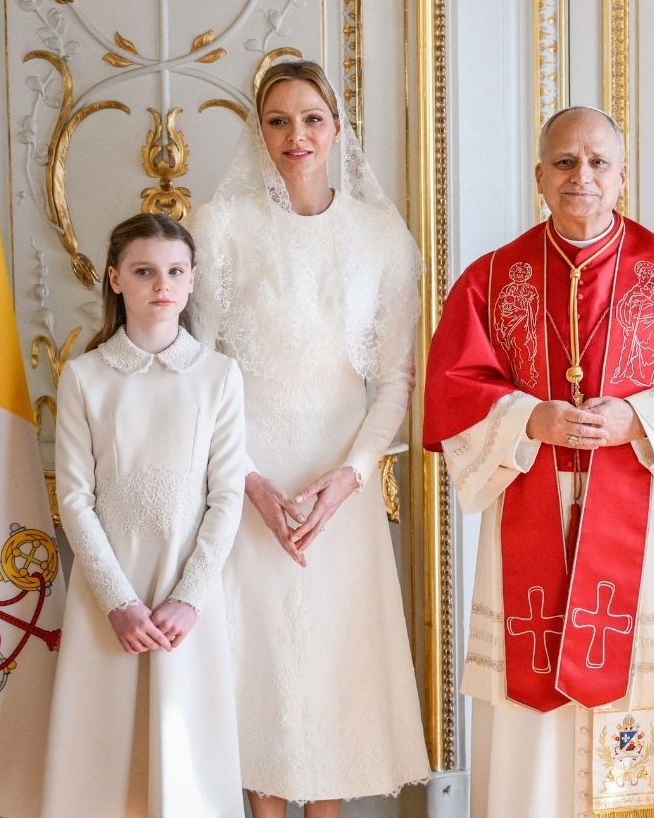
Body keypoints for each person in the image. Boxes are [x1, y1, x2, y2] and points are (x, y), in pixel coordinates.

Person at [423, 106, 654, 817]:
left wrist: (637, 416)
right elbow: (454, 387)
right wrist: (529, 416)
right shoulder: (491, 280)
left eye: (599, 162)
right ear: (540, 175)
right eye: (566, 163)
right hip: (531, 501)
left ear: (623, 175)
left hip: (649, 524)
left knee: (648, 690)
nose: (583, 177)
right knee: (533, 692)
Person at [191, 60, 429, 815]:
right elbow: (197, 370)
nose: (297, 136)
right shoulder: (219, 226)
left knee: (329, 665)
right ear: (259, 132)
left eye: (312, 119)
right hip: (246, 474)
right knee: (257, 659)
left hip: (339, 481)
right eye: (279, 120)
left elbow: (395, 381)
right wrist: (246, 480)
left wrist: (350, 475)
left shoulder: (381, 235)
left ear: (337, 128)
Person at [43, 213, 250, 818]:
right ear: (115, 279)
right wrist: (117, 600)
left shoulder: (218, 377)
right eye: (144, 271)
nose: (161, 284)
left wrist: (189, 597)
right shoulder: (84, 378)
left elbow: (227, 496)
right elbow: (75, 498)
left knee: (186, 741)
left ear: (190, 283)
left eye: (175, 271)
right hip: (110, 589)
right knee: (103, 747)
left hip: (189, 588)